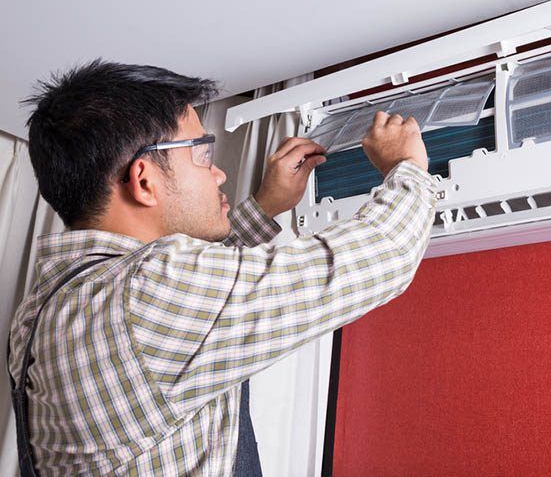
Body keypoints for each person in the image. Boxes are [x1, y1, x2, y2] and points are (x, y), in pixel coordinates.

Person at [7, 60, 435, 475]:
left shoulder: (47, 308)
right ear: (144, 180)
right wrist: (408, 167)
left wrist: (266, 207)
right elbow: (384, 255)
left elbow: (187, 318)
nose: (217, 173)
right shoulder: (147, 296)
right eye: (200, 153)